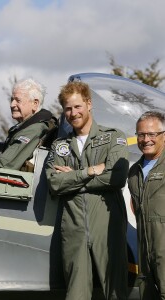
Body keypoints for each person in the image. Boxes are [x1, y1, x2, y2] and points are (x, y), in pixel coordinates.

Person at [45, 81, 129, 299]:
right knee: (76, 293)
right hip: (73, 227)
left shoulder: (113, 137)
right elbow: (54, 183)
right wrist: (89, 171)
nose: (73, 113)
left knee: (115, 291)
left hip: (107, 225)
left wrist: (72, 178)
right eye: (68, 109)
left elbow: (117, 177)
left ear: (89, 104)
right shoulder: (59, 146)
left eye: (78, 106)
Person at [0, 77, 57, 171]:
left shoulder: (34, 129)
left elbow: (3, 164)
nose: (12, 104)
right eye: (12, 99)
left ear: (35, 103)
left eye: (18, 100)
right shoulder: (25, 126)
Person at [128, 111, 165, 299]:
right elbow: (136, 208)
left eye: (152, 134)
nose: (145, 139)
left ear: (163, 136)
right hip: (145, 257)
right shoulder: (134, 172)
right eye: (141, 134)